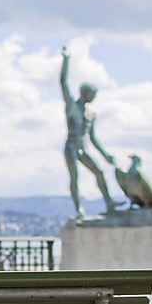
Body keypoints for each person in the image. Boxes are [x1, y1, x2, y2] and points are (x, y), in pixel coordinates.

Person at [60, 47, 122, 217]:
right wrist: (66, 60)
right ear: (85, 93)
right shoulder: (72, 106)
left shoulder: (91, 114)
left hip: (83, 147)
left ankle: (109, 203)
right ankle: (79, 209)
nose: (93, 98)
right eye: (92, 94)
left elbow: (93, 138)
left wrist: (105, 155)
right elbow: (63, 82)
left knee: (99, 172)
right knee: (75, 178)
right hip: (71, 146)